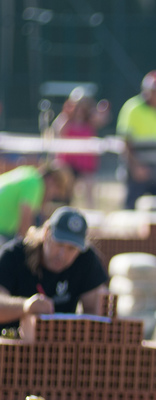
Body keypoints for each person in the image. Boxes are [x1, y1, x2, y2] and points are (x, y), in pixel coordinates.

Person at [0, 207, 108, 336]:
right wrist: (25, 307)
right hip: (10, 344)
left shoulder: (86, 259)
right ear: (46, 233)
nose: (62, 254)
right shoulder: (14, 256)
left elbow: (94, 311)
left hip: (60, 346)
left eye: (71, 248)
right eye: (59, 244)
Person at [116, 70, 156, 209]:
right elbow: (125, 143)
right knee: (131, 211)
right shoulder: (132, 108)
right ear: (152, 91)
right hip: (136, 174)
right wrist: (136, 168)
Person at [52, 86, 110, 209]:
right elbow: (58, 130)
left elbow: (103, 119)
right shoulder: (66, 119)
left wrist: (99, 110)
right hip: (68, 163)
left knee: (89, 189)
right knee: (67, 189)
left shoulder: (90, 119)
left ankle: (91, 216)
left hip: (86, 165)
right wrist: (67, 114)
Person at [0, 162, 72, 242]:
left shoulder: (29, 174)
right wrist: (23, 246)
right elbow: (25, 220)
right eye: (56, 189)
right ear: (51, 180)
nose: (52, 195)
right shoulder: (35, 184)